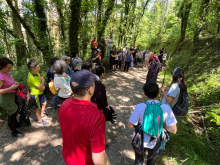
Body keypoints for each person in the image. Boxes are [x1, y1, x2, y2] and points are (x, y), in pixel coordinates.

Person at [58, 69, 111, 165]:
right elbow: (99, 159)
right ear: (90, 89)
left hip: (68, 158)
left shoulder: (64, 105)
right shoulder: (96, 116)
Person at [127, 81, 177, 165]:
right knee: (152, 160)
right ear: (158, 92)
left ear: (145, 94)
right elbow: (173, 130)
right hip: (156, 141)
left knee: (139, 160)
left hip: (141, 140)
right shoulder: (166, 108)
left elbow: (129, 125)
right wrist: (162, 123)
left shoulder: (140, 107)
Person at [0, 57, 24, 137]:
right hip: (6, 97)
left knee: (15, 110)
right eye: (8, 67)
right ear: (1, 66)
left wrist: (15, 83)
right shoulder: (0, 76)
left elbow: (10, 82)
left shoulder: (6, 73)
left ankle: (16, 124)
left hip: (13, 95)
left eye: (10, 67)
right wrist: (11, 88)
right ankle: (14, 132)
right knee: (12, 113)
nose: (10, 69)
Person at [27, 61, 49, 126]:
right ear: (33, 69)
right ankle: (39, 121)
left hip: (40, 93)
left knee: (44, 103)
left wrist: (42, 83)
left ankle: (41, 115)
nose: (39, 68)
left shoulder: (36, 73)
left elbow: (41, 84)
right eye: (38, 67)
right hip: (36, 94)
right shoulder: (31, 77)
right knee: (38, 108)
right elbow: (42, 87)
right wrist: (43, 82)